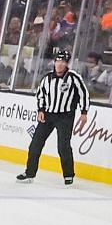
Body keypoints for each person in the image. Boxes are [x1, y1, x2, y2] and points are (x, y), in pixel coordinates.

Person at [19, 48, 88, 185]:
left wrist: (84, 112)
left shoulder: (73, 78)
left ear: (67, 63)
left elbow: (83, 94)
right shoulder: (47, 78)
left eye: (63, 61)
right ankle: (29, 173)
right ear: (54, 62)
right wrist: (41, 110)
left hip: (65, 116)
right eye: (58, 61)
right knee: (35, 144)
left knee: (63, 146)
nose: (60, 64)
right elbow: (40, 95)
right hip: (48, 115)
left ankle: (68, 175)